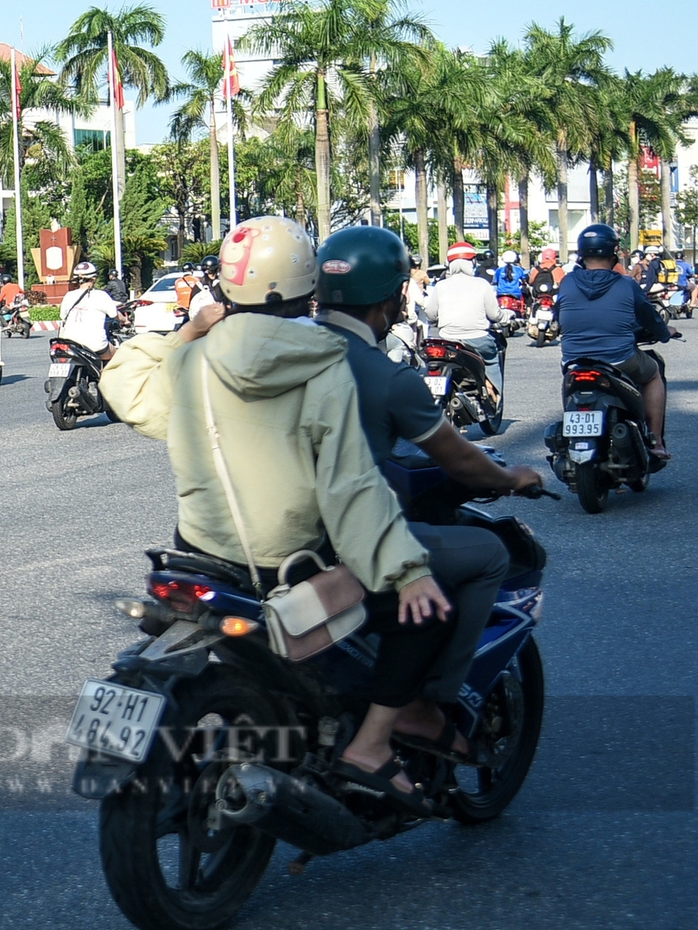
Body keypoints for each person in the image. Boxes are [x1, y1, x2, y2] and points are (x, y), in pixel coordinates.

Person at [102, 216, 454, 812]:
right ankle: (369, 746)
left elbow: (125, 388)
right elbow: (352, 489)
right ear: (305, 287)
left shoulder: (193, 362)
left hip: (201, 556)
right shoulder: (323, 365)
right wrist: (407, 571)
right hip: (287, 567)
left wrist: (187, 332)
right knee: (425, 613)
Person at [314, 226, 545, 762]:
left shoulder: (280, 352)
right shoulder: (387, 376)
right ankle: (427, 702)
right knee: (488, 554)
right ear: (393, 296)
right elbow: (459, 457)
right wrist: (512, 479)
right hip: (345, 538)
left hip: (255, 534)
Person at [555, 223, 674, 460]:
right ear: (614, 252)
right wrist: (664, 333)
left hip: (574, 360)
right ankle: (656, 441)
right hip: (619, 359)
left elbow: (561, 316)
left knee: (571, 383)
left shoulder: (567, 283)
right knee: (652, 375)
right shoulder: (626, 284)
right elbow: (649, 317)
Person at [418, 241, 504, 398]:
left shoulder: (441, 286)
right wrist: (506, 317)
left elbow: (430, 314)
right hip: (478, 340)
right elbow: (495, 315)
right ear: (472, 262)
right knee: (492, 359)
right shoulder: (482, 284)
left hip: (448, 341)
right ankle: (494, 395)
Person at [57, 261, 123, 357]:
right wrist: (126, 321)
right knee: (116, 358)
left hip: (70, 344)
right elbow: (115, 315)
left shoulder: (69, 295)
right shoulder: (101, 295)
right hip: (95, 345)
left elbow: (62, 316)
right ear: (93, 279)